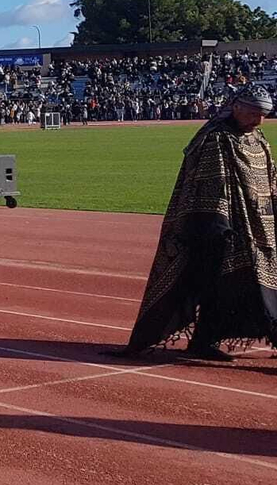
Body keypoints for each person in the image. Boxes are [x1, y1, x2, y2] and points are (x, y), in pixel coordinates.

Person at [114, 85, 277, 358]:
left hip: (260, 229)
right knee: (220, 286)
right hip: (219, 231)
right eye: (254, 113)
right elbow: (208, 185)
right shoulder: (215, 139)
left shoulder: (259, 140)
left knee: (247, 287)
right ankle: (204, 341)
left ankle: (205, 339)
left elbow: (269, 182)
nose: (259, 120)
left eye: (263, 115)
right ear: (236, 107)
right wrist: (218, 226)